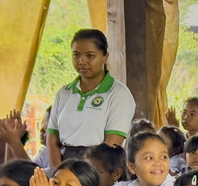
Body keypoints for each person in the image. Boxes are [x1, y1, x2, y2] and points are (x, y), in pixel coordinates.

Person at [46, 29, 135, 166]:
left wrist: (88, 177)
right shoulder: (64, 93)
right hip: (65, 164)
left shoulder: (118, 94)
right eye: (76, 55)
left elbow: (113, 142)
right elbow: (52, 139)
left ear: (105, 57)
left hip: (101, 166)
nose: (81, 61)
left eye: (90, 56)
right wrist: (57, 174)